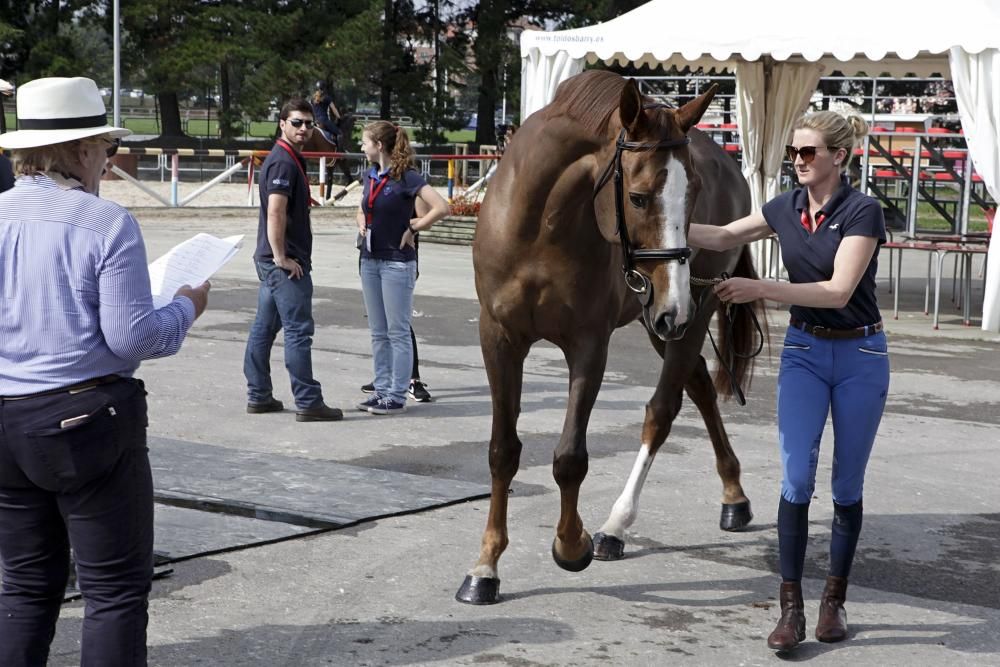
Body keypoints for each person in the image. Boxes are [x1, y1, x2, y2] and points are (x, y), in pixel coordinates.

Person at [0, 76, 210, 666]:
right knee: (114, 592)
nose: (107, 160)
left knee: (23, 587)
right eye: (106, 148)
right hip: (83, 419)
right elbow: (133, 336)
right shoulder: (105, 223)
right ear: (82, 149)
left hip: (5, 421)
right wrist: (184, 307)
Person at [687, 111, 889, 653]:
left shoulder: (863, 211)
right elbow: (726, 233)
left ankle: (834, 601)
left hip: (861, 355)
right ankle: (792, 609)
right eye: (794, 153)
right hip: (805, 352)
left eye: (808, 153)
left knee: (846, 485)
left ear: (839, 157)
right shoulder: (786, 206)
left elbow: (838, 290)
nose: (797, 161)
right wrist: (656, 224)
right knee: (796, 479)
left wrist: (760, 288)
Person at [244, 98, 343, 422]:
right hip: (284, 264)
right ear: (282, 124)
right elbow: (276, 210)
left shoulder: (286, 158)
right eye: (297, 123)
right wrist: (281, 257)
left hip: (274, 260)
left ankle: (259, 396)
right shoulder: (283, 163)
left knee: (264, 328)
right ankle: (308, 401)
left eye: (308, 123)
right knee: (299, 331)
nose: (303, 129)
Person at [356, 121, 448, 415]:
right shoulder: (370, 174)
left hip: (397, 262)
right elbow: (363, 205)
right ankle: (381, 390)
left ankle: (397, 394)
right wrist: (360, 220)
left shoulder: (406, 177)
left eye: (364, 142)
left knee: (397, 331)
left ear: (378, 146)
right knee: (377, 330)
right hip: (369, 259)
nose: (361, 147)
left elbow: (442, 207)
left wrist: (415, 227)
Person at [311, 81, 341, 146]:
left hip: (314, 121)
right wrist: (338, 117)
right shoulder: (327, 98)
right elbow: (334, 109)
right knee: (339, 134)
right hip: (324, 120)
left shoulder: (312, 98)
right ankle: (339, 151)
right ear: (324, 89)